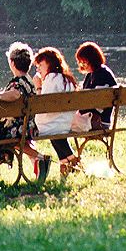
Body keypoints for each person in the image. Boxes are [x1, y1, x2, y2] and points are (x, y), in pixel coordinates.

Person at [0, 42, 51, 184]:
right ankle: (40, 159)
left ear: (12, 63)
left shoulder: (18, 82)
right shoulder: (29, 81)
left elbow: (15, 94)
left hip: (18, 128)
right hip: (28, 125)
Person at [32, 47, 81, 177]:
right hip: (64, 123)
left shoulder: (51, 79)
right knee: (55, 133)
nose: (39, 70)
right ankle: (66, 163)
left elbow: (43, 107)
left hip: (49, 125)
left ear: (50, 64)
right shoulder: (67, 79)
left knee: (52, 132)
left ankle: (73, 161)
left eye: (40, 65)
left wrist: (38, 86)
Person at [75, 41, 118, 129]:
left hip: (99, 122)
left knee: (64, 122)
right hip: (93, 119)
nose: (82, 65)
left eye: (84, 62)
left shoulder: (102, 74)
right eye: (81, 62)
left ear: (91, 59)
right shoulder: (91, 74)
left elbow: (99, 105)